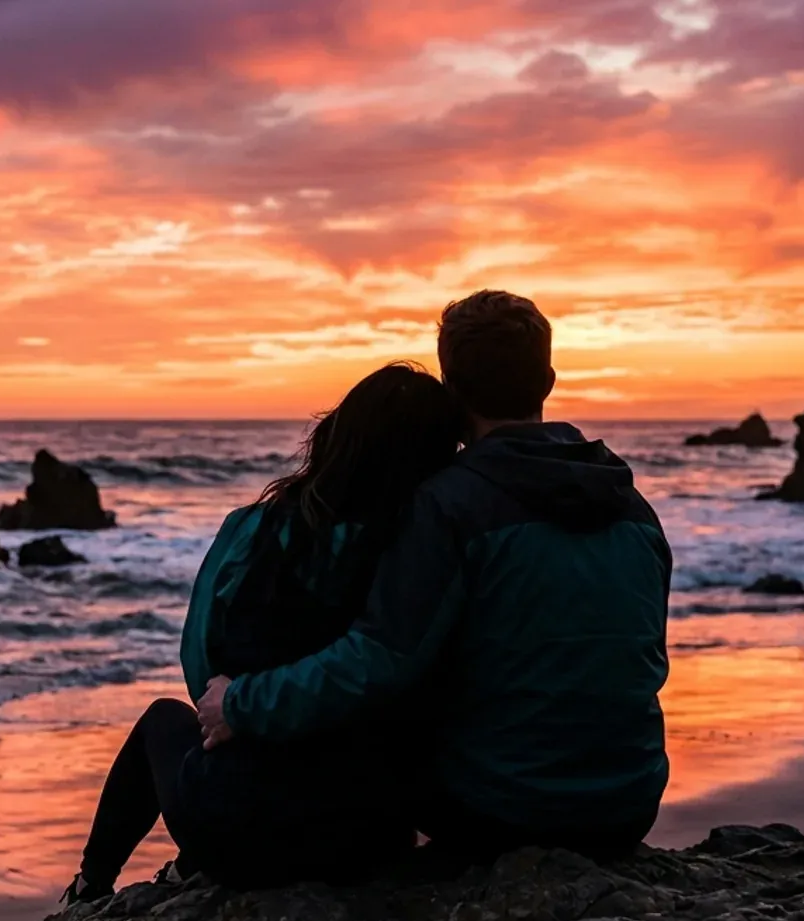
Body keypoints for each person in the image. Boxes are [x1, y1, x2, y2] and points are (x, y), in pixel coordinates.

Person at [197, 290, 671, 864]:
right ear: (547, 381)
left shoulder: (450, 505)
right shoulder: (631, 505)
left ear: (451, 389)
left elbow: (378, 659)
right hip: (630, 802)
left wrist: (242, 703)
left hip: (500, 811)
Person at [66, 363, 462, 903]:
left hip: (238, 832)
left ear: (338, 436)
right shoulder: (424, 552)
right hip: (373, 836)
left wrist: (238, 710)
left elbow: (199, 663)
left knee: (164, 718)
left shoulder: (255, 529)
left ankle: (90, 888)